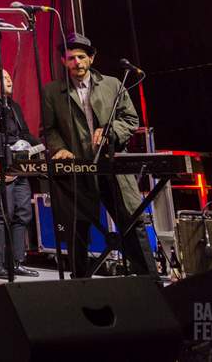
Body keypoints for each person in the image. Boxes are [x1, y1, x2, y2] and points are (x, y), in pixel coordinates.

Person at [40, 32, 157, 278]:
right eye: (71, 58)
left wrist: (110, 131)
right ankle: (80, 282)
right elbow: (49, 129)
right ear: (63, 61)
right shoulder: (52, 91)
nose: (77, 63)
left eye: (81, 57)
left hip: (110, 166)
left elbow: (130, 119)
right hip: (78, 168)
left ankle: (149, 279)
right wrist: (59, 148)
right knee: (78, 226)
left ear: (92, 58)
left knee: (130, 221)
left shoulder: (112, 84)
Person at [0, 69, 40, 279]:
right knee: (2, 213)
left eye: (10, 77)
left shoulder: (14, 107)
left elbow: (24, 134)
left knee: (23, 212)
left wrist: (42, 146)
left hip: (20, 167)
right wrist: (7, 150)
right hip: (2, 164)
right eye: (4, 78)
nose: (10, 80)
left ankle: (15, 261)